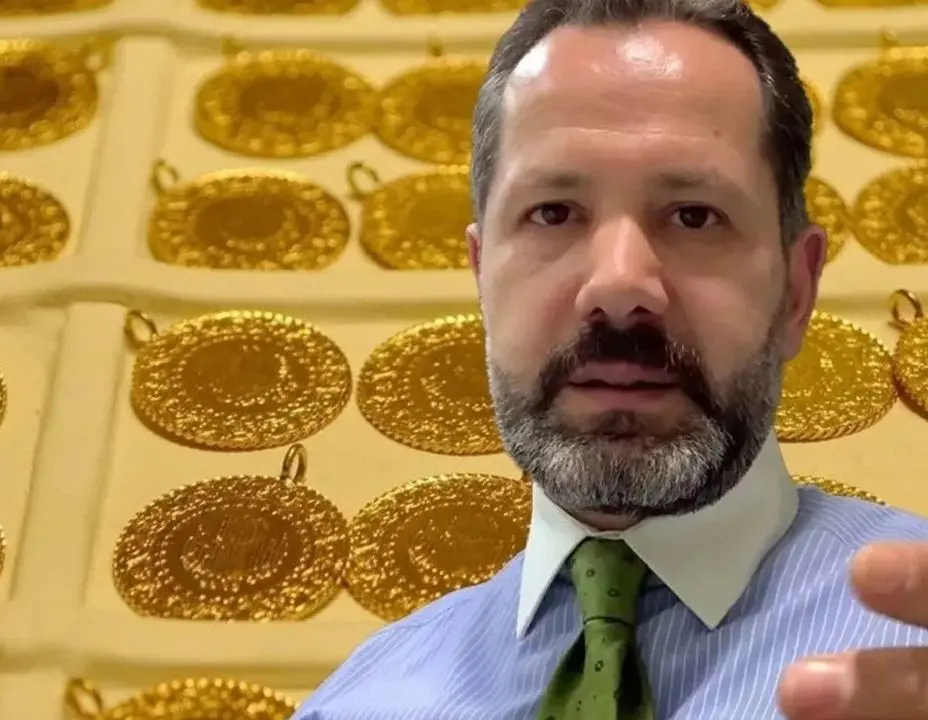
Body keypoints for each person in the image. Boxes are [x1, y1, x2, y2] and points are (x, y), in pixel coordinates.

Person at [291, 0, 928, 717]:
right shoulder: (357, 703)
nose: (620, 286)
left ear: (797, 292)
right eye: (553, 213)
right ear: (481, 279)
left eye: (694, 216)